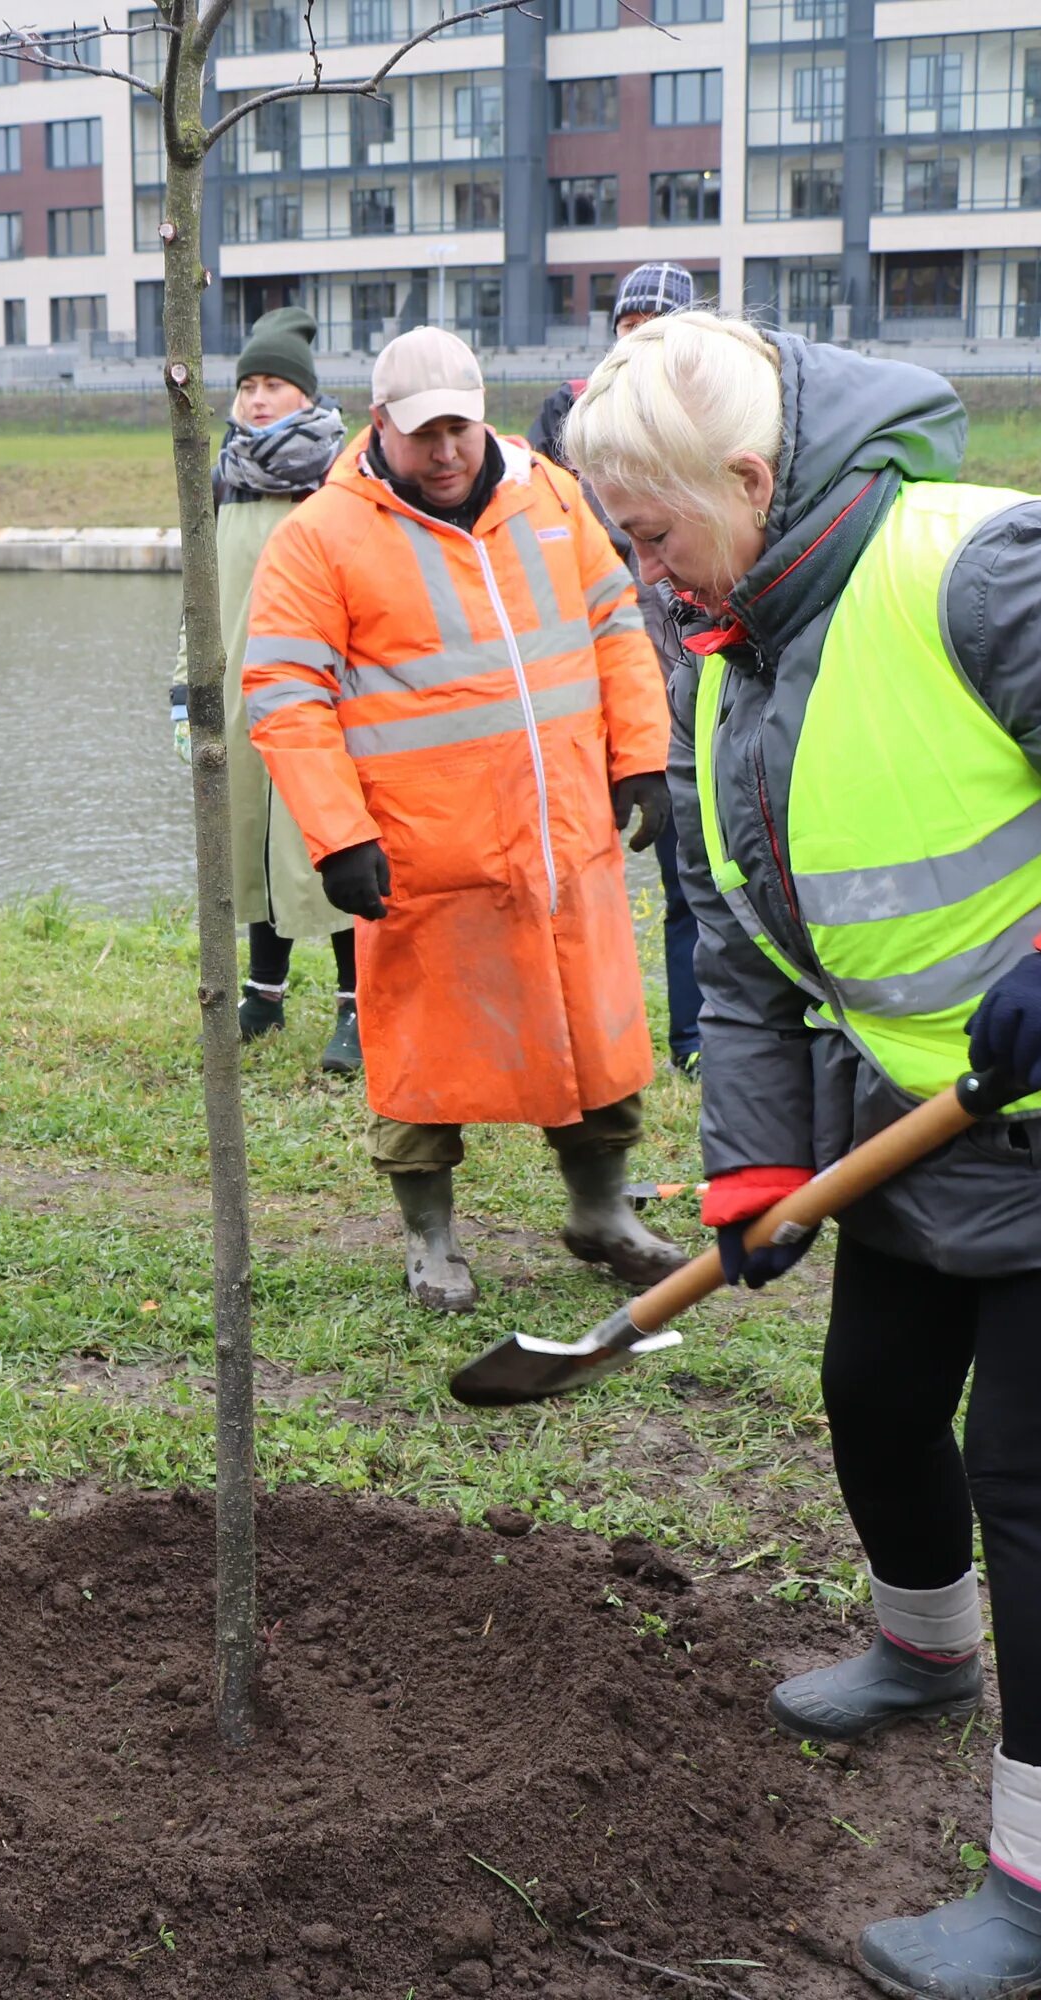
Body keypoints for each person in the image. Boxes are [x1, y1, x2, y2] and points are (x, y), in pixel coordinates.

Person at [562, 313, 1041, 1997]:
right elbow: (744, 946)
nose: (636, 564)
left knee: (1029, 1473)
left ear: (752, 480)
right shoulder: (726, 643)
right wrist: (756, 1170)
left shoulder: (988, 570)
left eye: (651, 527)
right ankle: (925, 1657)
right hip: (921, 1109)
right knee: (875, 1397)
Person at [245, 324, 687, 1313]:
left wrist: (641, 756)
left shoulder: (550, 492)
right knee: (422, 1061)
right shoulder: (321, 535)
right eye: (423, 433)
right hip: (423, 859)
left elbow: (616, 620)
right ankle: (430, 1240)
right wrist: (340, 834)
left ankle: (599, 1210)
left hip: (566, 840)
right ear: (380, 427)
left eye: (461, 428)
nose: (446, 452)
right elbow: (285, 693)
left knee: (595, 1035)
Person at [531, 262, 706, 1076]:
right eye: (628, 326)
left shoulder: (710, 419)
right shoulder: (566, 422)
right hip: (595, 681)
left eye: (658, 326)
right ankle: (578, 1033)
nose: (638, 342)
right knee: (572, 869)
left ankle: (697, 1039)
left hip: (697, 670)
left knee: (695, 872)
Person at [191, 309, 361, 1076]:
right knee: (251, 836)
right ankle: (264, 992)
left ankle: (360, 1005)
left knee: (327, 841)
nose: (258, 400)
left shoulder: (341, 479)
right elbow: (203, 592)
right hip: (236, 690)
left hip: (322, 695)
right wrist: (182, 684)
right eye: (249, 386)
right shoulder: (223, 473)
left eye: (276, 386)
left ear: (308, 396)